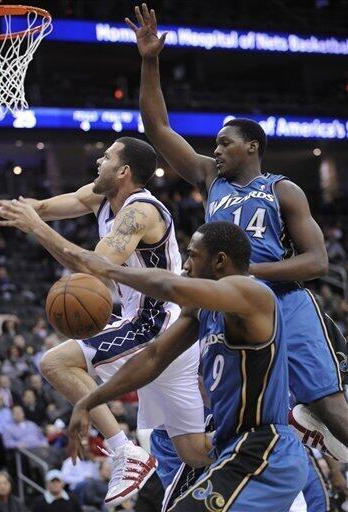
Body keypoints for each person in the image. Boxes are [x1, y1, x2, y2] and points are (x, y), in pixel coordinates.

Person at [125, 4, 348, 459]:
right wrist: (150, 61)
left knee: (330, 405)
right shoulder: (212, 179)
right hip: (226, 306)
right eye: (215, 144)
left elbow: (318, 262)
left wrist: (249, 274)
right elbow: (158, 127)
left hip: (285, 302)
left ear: (252, 146)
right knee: (234, 414)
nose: (217, 149)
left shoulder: (283, 190)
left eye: (225, 142)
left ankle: (314, 420)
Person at [0, 136, 205, 501]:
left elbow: (94, 268)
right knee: (195, 451)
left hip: (158, 324)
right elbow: (49, 206)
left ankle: (126, 451)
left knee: (55, 363)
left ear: (123, 171)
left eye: (106, 158)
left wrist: (35, 226)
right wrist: (22, 210)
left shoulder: (141, 212)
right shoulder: (100, 198)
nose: (98, 163)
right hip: (164, 331)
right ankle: (274, 437)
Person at [65, 221, 309, 511]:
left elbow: (167, 285)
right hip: (232, 449)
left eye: (193, 255)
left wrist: (107, 269)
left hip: (265, 447)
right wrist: (89, 401)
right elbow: (153, 357)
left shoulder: (252, 294)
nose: (186, 265)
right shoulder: (202, 312)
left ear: (219, 261)